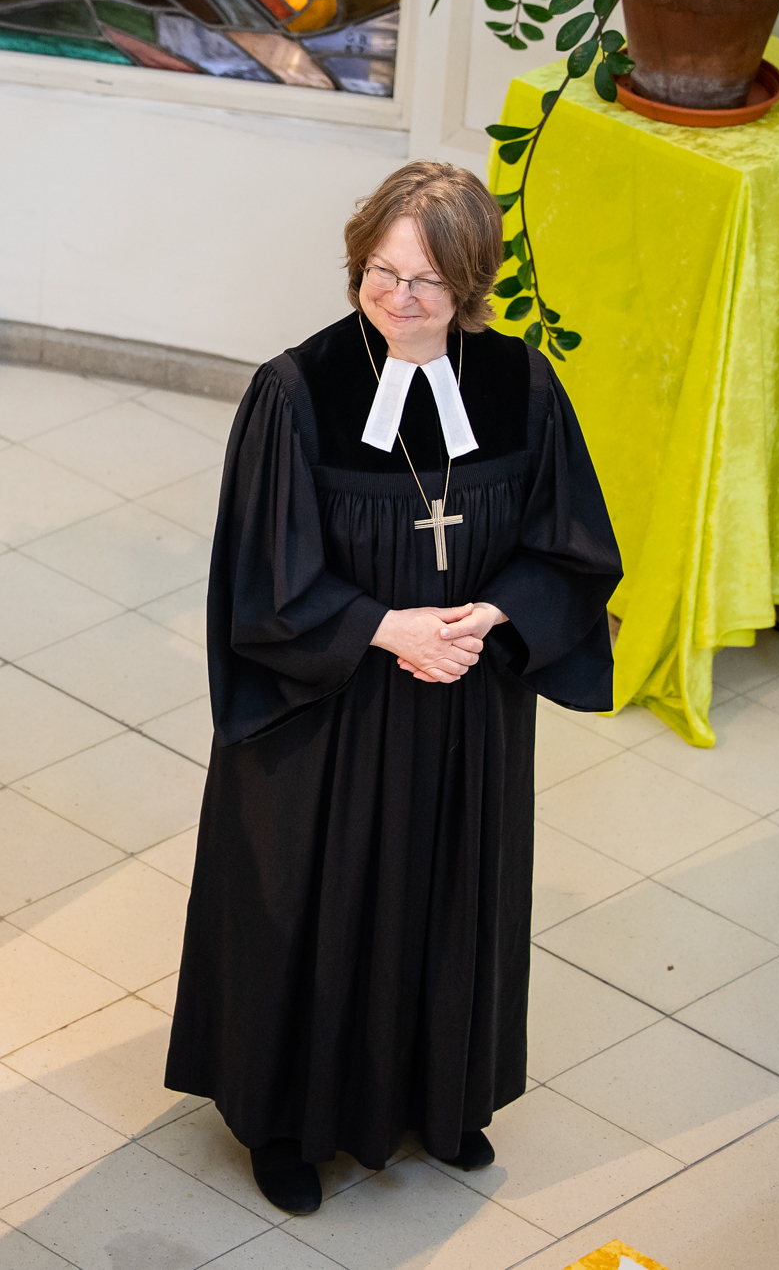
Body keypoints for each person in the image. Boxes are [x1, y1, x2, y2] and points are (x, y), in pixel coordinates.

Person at [166, 161, 621, 1214]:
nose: (398, 296)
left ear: (470, 283)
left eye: (425, 279)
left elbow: (571, 546)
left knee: (450, 896)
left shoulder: (520, 385)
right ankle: (287, 1122)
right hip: (326, 713)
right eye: (380, 270)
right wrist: (388, 628)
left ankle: (438, 1096)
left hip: (466, 706)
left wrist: (488, 616)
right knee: (310, 907)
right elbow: (263, 579)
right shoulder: (297, 391)